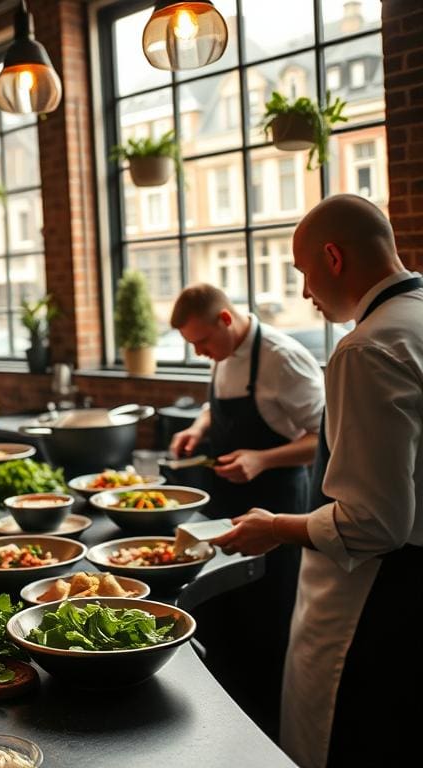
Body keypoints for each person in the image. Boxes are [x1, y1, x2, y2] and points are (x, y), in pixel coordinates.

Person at [212, 194, 423, 768]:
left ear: (333, 257)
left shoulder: (367, 348)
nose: (306, 292)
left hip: (376, 596)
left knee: (342, 739)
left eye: (305, 273)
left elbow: (373, 523)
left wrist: (273, 526)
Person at [167, 283, 324, 737]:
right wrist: (198, 427)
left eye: (202, 342)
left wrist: (262, 458)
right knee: (225, 608)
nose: (199, 353)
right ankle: (225, 719)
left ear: (225, 320)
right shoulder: (223, 355)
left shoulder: (282, 358)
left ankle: (269, 729)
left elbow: (324, 439)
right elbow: (214, 406)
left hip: (279, 505)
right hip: (228, 502)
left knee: (269, 618)